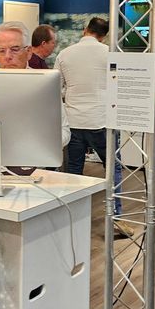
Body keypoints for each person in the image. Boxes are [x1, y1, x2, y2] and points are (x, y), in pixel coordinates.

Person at [53, 17, 128, 233]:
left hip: (74, 120)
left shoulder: (65, 54)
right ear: (103, 36)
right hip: (103, 120)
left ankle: (71, 217)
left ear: (85, 30)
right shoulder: (110, 54)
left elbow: (56, 89)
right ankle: (116, 218)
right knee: (112, 169)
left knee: (74, 170)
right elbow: (119, 86)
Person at [0, 20, 70, 148]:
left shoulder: (45, 85)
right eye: (1, 50)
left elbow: (64, 131)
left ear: (28, 52)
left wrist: (41, 143)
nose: (7, 56)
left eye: (14, 49)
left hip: (33, 162)